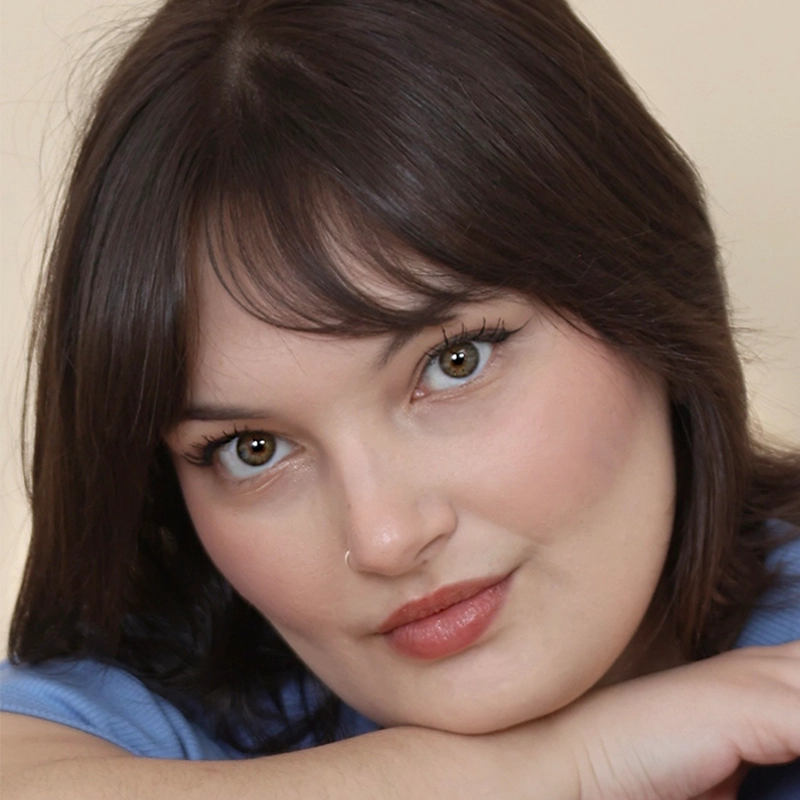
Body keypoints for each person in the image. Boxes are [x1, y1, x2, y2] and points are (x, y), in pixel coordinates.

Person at [1, 0, 799, 797]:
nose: (382, 537)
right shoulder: (178, 716)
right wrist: (560, 768)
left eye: (455, 362)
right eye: (254, 449)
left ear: (647, 293)